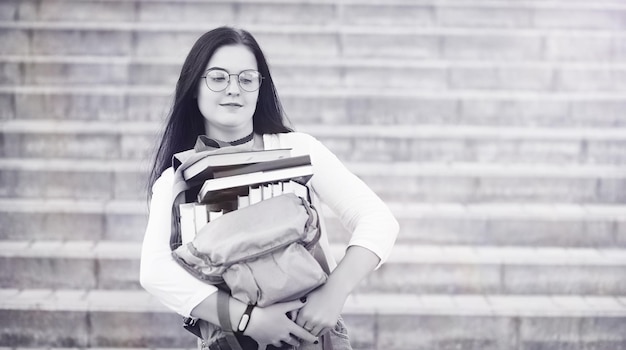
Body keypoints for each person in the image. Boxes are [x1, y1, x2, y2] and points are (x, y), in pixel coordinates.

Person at [139, 26, 399, 350]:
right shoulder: (179, 178)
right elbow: (154, 271)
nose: (233, 89)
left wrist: (334, 293)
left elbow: (378, 219)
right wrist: (249, 320)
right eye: (218, 78)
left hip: (314, 338)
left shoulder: (299, 150)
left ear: (260, 87)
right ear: (195, 87)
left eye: (247, 79)